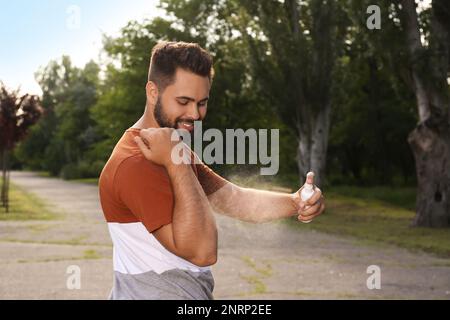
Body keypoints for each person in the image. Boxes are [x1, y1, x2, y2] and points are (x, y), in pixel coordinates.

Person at [98, 41, 325, 300]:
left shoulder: (171, 148)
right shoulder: (136, 162)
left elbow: (231, 198)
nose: (194, 114)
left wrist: (295, 202)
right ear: (152, 92)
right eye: (183, 101)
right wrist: (176, 163)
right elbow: (202, 251)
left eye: (201, 103)